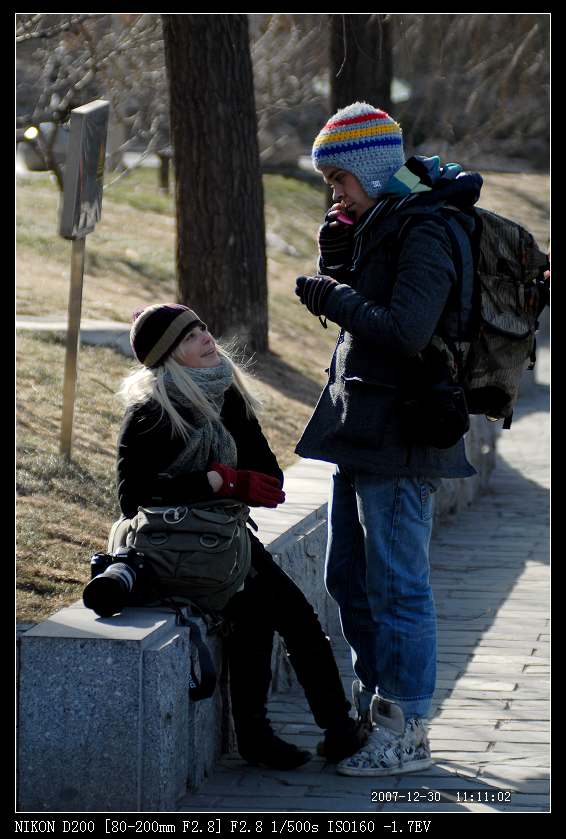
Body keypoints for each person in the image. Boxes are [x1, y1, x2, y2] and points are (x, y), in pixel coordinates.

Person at [294, 102, 483, 776]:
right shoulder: (383, 219)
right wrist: (340, 249)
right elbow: (371, 302)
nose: (334, 193)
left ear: (372, 171)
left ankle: (406, 726)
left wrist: (328, 297)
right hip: (363, 429)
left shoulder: (427, 227)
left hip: (405, 432)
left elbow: (404, 330)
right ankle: (371, 709)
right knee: (346, 576)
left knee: (398, 584)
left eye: (340, 180)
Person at [116, 302, 369, 770]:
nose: (206, 337)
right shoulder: (154, 411)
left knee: (269, 616)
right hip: (175, 552)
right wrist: (216, 482)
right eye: (189, 336)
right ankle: (330, 729)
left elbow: (269, 475)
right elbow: (133, 497)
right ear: (169, 354)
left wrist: (239, 481)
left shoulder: (228, 398)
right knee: (284, 614)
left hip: (226, 542)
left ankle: (280, 735)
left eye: (202, 326)